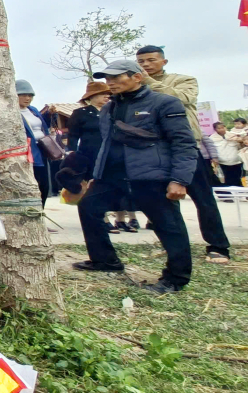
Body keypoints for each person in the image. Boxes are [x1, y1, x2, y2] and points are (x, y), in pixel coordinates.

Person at [73, 60, 197, 294]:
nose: (110, 82)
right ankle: (105, 260)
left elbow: (183, 143)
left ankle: (176, 278)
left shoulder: (165, 103)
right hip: (113, 175)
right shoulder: (109, 107)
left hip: (151, 175)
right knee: (88, 207)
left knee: (167, 225)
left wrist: (180, 179)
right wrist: (96, 174)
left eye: (117, 77)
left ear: (137, 77)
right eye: (107, 78)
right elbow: (107, 143)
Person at [136, 45, 231, 264]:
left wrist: (148, 82)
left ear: (164, 62)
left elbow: (182, 99)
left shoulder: (184, 80)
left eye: (151, 60)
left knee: (202, 198)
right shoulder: (136, 86)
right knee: (162, 202)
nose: (146, 65)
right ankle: (173, 248)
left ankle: (218, 246)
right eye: (141, 62)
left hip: (185, 148)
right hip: (155, 150)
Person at [66, 81, 139, 233]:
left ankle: (121, 219)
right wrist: (71, 154)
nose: (107, 96)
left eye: (108, 94)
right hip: (90, 154)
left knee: (120, 185)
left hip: (115, 154)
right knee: (97, 186)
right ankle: (104, 219)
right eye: (102, 94)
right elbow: (73, 136)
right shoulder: (81, 113)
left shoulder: (115, 110)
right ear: (91, 97)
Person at [16, 80, 54, 208]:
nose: (27, 98)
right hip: (28, 152)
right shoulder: (12, 112)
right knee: (33, 184)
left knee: (44, 185)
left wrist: (49, 115)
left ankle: (41, 215)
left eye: (30, 95)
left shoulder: (33, 110)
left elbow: (42, 127)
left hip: (42, 149)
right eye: (23, 95)